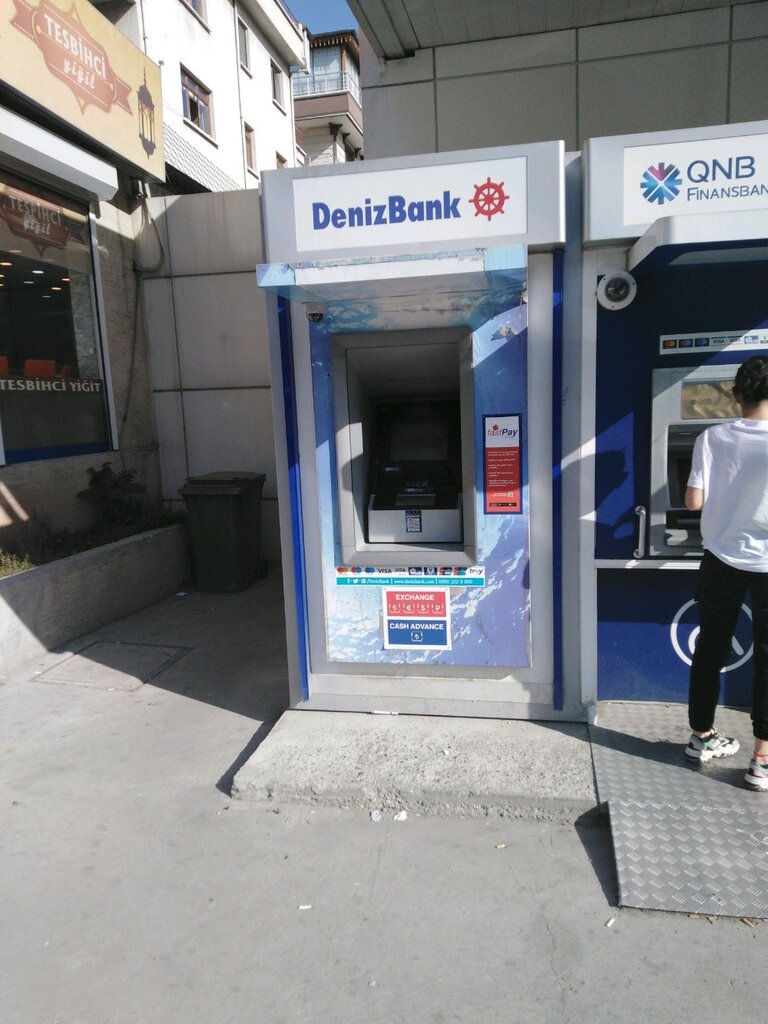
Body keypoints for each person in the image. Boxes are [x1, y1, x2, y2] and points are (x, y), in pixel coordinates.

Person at [684, 355, 768, 791]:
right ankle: (762, 760)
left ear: (736, 395)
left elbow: (693, 501)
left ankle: (701, 736)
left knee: (710, 648)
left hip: (719, 558)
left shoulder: (711, 437)